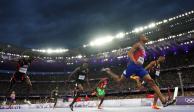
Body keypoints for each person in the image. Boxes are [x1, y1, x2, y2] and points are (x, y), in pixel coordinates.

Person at [102, 35, 175, 107]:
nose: (147, 37)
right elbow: (129, 53)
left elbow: (140, 58)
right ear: (141, 38)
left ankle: (163, 101)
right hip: (132, 67)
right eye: (145, 36)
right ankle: (109, 71)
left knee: (152, 82)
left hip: (140, 68)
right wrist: (134, 61)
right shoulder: (138, 44)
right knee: (119, 81)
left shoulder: (143, 47)